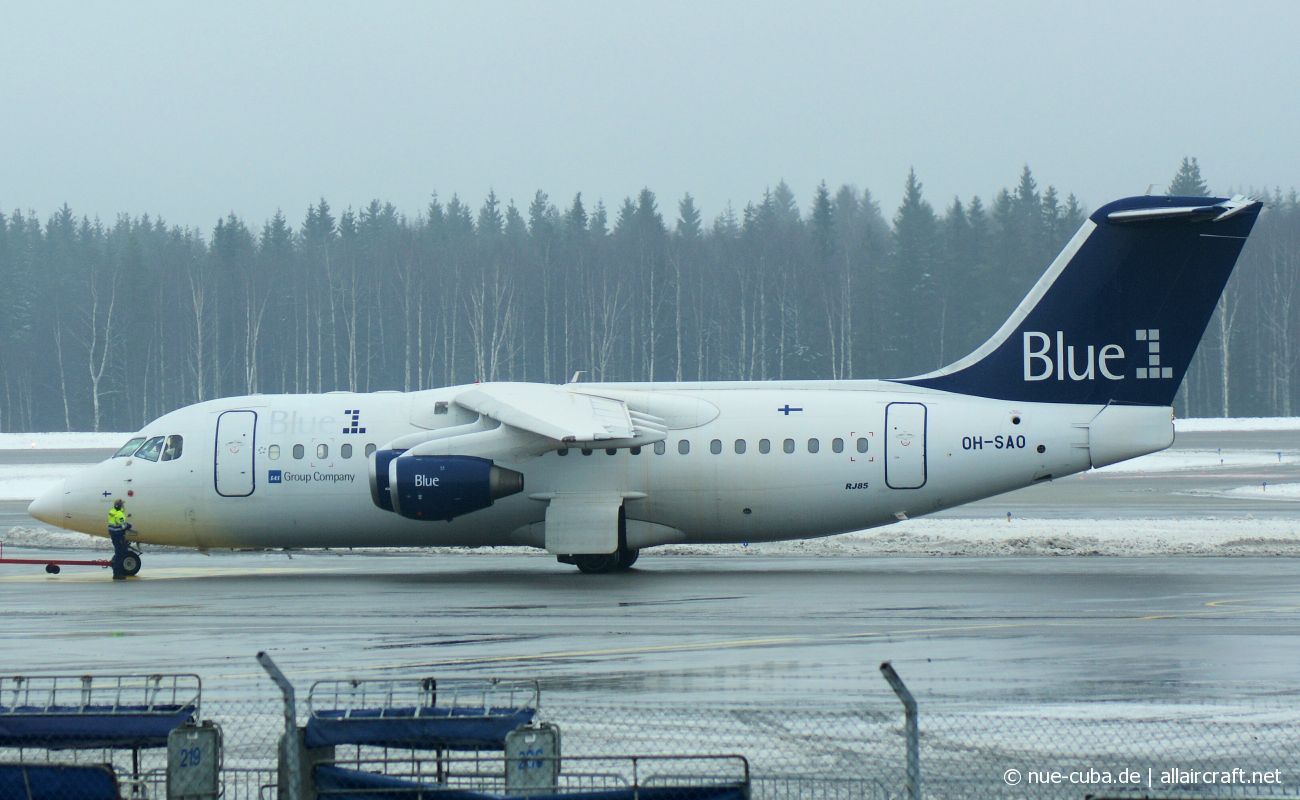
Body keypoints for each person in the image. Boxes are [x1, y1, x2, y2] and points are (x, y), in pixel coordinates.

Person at [106, 499, 132, 580]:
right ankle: (117, 573)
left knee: (118, 552)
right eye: (122, 505)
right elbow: (123, 525)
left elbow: (114, 523)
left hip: (113, 534)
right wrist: (128, 525)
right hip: (118, 535)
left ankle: (116, 570)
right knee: (120, 554)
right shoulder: (119, 514)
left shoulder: (112, 512)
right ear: (120, 506)